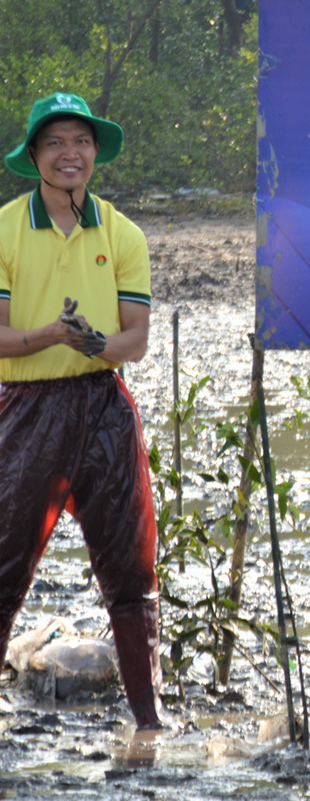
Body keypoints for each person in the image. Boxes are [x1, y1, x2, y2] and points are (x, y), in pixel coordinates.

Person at [0, 92, 161, 729]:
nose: (71, 154)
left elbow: (135, 339)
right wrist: (53, 337)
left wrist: (92, 343)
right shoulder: (7, 227)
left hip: (104, 409)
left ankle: (149, 719)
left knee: (129, 570)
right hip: (27, 411)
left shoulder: (121, 233)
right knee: (4, 562)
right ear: (35, 156)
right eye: (56, 142)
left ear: (96, 153)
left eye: (82, 142)